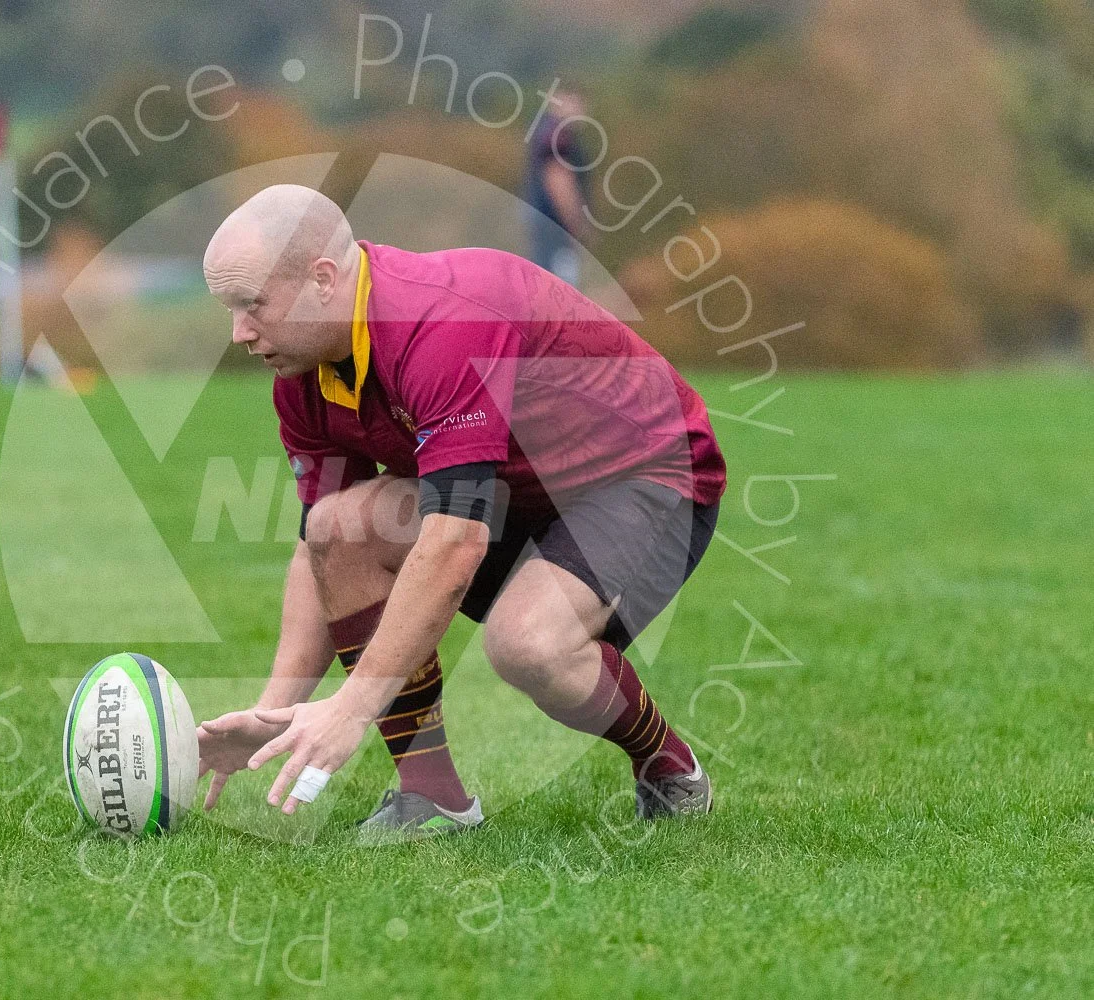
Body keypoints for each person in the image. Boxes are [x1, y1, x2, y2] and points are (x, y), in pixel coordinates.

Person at [197, 184, 726, 840]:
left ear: (323, 278)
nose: (239, 332)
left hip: (642, 476)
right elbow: (321, 551)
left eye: (252, 306)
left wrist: (353, 707)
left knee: (528, 644)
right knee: (340, 525)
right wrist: (273, 714)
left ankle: (666, 766)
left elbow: (454, 543)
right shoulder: (302, 380)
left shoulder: (436, 323)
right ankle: (432, 800)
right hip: (512, 493)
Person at [525, 90, 595, 286]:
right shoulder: (558, 135)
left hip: (543, 223)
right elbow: (559, 181)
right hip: (555, 227)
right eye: (575, 103)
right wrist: (577, 225)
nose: (581, 110)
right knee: (560, 289)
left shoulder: (547, 130)